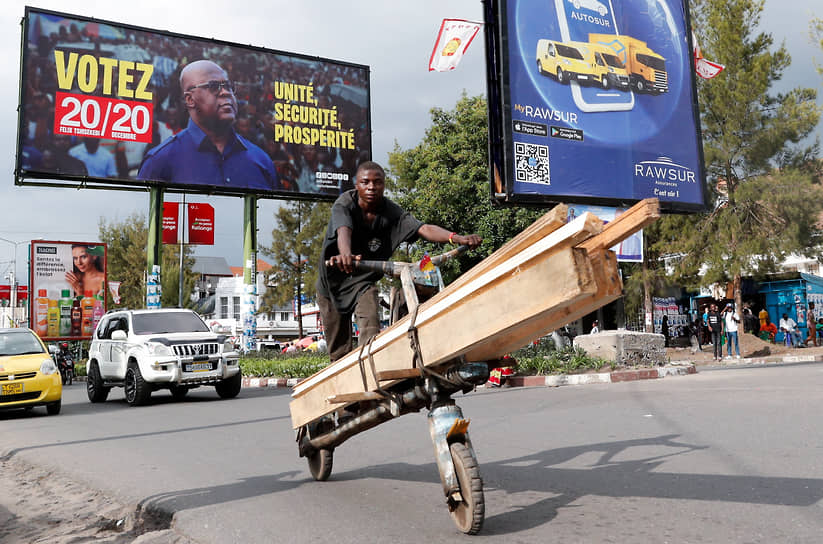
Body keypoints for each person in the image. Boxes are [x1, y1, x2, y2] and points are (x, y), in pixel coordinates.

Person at [316, 161, 482, 362]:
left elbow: (423, 229)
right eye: (365, 182)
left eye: (377, 182)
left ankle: (370, 368)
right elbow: (344, 230)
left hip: (362, 281)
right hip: (332, 282)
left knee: (371, 327)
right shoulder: (345, 204)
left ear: (384, 185)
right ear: (356, 184)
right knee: (339, 351)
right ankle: (342, 380)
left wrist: (457, 238)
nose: (371, 187)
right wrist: (345, 254)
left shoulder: (391, 211)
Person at [138, 60, 281, 192]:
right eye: (214, 86)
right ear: (190, 99)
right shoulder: (160, 160)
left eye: (228, 86)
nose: (225, 92)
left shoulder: (262, 161)